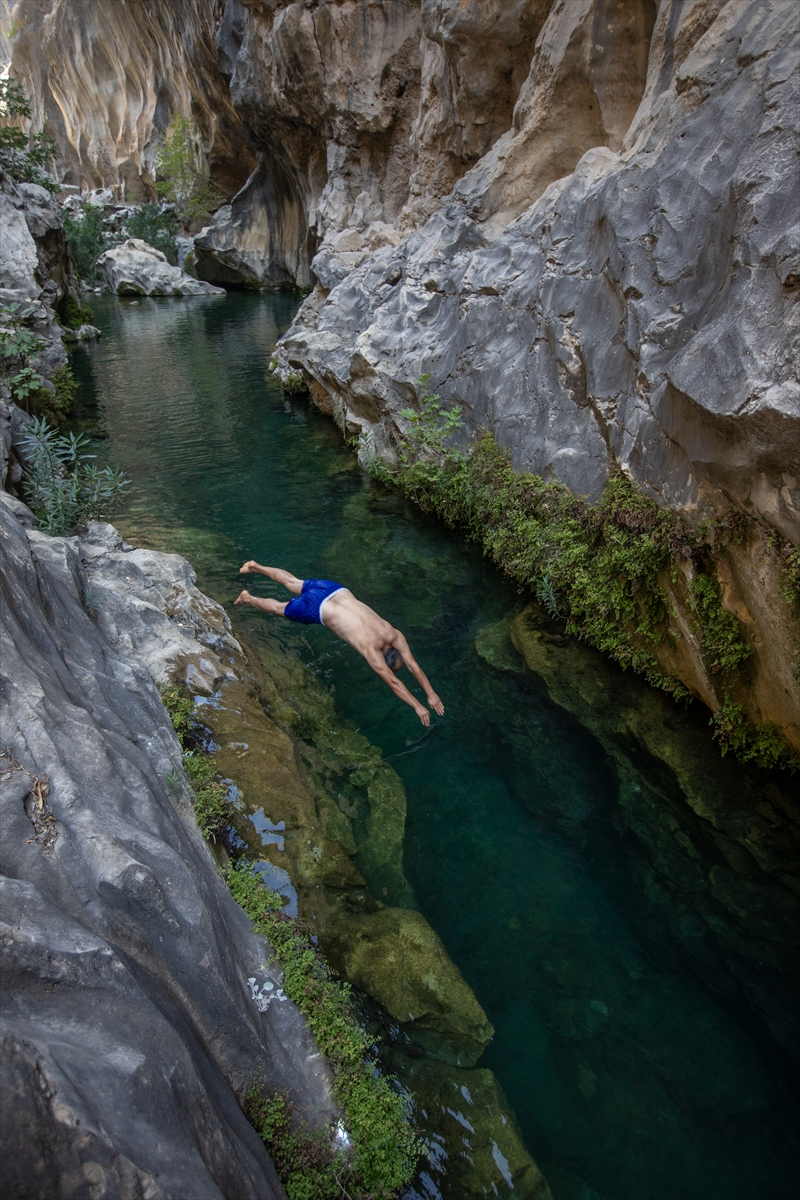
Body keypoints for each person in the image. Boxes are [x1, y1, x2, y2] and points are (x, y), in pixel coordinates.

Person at [235, 562, 445, 726]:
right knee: (279, 609)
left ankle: (255, 567)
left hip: (336, 591)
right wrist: (418, 706)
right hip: (318, 608)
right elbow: (394, 683)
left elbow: (413, 665)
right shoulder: (371, 651)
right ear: (385, 659)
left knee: (292, 582)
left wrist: (431, 693)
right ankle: (248, 598)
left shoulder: (393, 634)